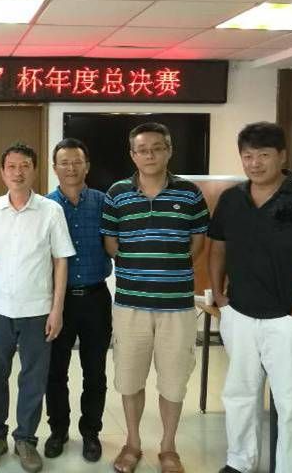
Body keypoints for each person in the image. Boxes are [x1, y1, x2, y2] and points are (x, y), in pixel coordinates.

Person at [208, 122, 292, 473]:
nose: (255, 163)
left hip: (288, 320)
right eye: (248, 156)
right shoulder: (232, 199)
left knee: (291, 404)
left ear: (282, 156)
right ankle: (240, 461)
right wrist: (221, 299)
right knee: (240, 395)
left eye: (263, 155)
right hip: (240, 314)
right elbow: (217, 250)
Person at [102, 122, 209, 473]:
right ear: (133, 155)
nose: (150, 155)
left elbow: (198, 242)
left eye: (157, 148)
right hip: (130, 305)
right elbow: (111, 242)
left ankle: (168, 448)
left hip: (176, 307)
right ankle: (132, 444)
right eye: (142, 150)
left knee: (174, 382)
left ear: (169, 150)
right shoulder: (117, 193)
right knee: (129, 379)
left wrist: (169, 266)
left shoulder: (189, 193)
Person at [0, 142, 75, 473]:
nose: (18, 173)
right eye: (12, 167)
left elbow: (61, 261)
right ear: (2, 172)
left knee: (33, 379)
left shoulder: (51, 211)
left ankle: (26, 439)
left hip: (37, 310)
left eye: (25, 166)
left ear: (34, 170)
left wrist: (57, 310)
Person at [43, 138, 112, 463]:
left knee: (94, 371)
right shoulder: (45, 206)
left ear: (87, 166)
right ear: (54, 168)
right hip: (58, 302)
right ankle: (58, 430)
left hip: (96, 298)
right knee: (54, 371)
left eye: (76, 162)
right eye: (64, 162)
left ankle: (91, 432)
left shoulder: (103, 202)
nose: (70, 168)